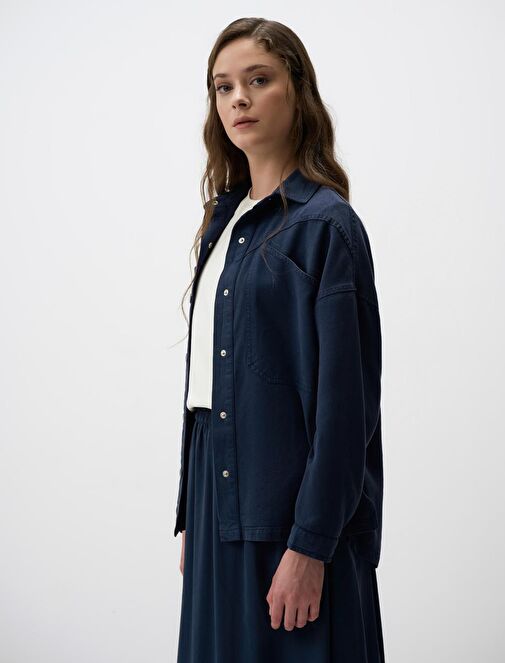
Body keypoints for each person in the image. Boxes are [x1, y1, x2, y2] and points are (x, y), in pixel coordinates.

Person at [174, 17, 385, 663]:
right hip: (219, 505)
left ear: (296, 89)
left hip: (291, 516)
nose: (238, 98)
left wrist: (310, 544)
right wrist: (193, 514)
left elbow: (346, 412)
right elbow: (208, 392)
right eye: (223, 87)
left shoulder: (327, 227)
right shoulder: (223, 224)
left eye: (258, 80)